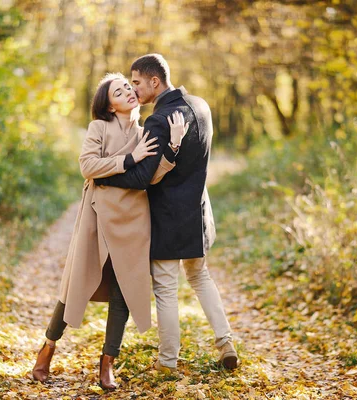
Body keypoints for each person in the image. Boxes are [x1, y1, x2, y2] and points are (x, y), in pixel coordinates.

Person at [31, 72, 188, 389]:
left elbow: (152, 177)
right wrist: (129, 158)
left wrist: (172, 146)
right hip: (97, 217)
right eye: (119, 90)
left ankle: (107, 365)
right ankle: (47, 349)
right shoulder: (98, 127)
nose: (129, 91)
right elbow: (87, 166)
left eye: (130, 87)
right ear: (108, 104)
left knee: (124, 291)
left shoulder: (147, 130)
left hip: (133, 219)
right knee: (76, 284)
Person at [94, 54, 238, 372]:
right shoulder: (201, 106)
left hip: (169, 219)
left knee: (166, 289)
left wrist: (103, 175)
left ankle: (168, 361)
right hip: (199, 213)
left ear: (154, 82)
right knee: (201, 277)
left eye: (137, 83)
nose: (134, 90)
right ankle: (225, 341)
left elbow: (146, 177)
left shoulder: (159, 120)